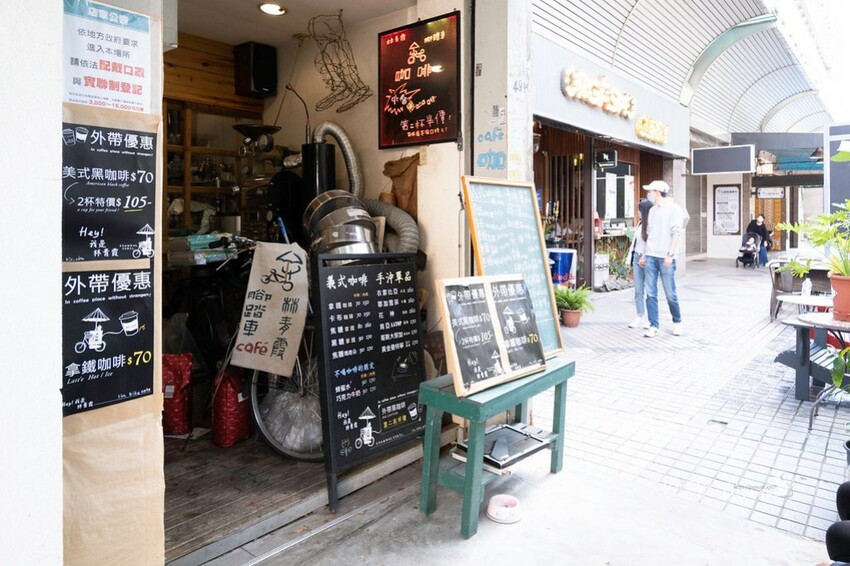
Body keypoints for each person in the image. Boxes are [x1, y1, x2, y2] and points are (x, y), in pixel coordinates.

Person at [638, 180, 685, 338]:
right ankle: (653, 325)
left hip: (665, 256)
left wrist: (670, 255)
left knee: (670, 293)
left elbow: (676, 233)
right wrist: (644, 254)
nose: (648, 194)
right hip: (651, 256)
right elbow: (649, 233)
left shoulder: (674, 209)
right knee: (650, 293)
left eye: (650, 191)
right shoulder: (652, 211)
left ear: (657, 192)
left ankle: (677, 322)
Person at [628, 199, 654, 329]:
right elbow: (634, 244)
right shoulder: (640, 224)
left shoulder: (652, 226)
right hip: (637, 258)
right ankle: (639, 316)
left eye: (639, 210)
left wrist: (645, 256)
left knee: (650, 290)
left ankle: (651, 319)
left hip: (648, 260)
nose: (637, 212)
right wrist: (629, 259)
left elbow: (652, 244)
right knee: (638, 289)